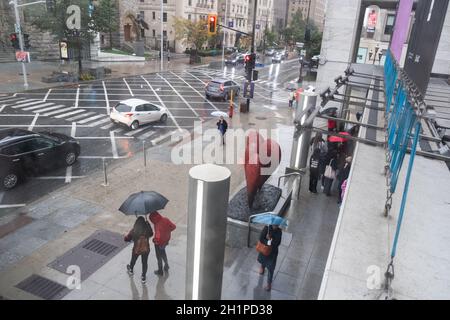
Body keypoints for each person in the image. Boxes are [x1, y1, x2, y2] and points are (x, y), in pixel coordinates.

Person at [124, 216, 154, 284]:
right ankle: (143, 277)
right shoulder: (147, 229)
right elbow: (151, 234)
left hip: (136, 249)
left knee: (133, 260)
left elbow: (127, 239)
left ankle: (131, 270)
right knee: (144, 263)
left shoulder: (134, 230)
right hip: (146, 249)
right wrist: (148, 224)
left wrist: (126, 237)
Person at [148, 211, 176, 276]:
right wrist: (168, 231)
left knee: (159, 257)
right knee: (163, 252)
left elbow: (157, 237)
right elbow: (174, 227)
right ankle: (166, 265)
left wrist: (154, 240)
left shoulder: (157, 225)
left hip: (159, 243)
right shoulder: (165, 219)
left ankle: (160, 271)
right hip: (166, 241)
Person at [257, 224, 282, 291]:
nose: (275, 227)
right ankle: (262, 267)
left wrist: (270, 240)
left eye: (277, 225)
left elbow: (278, 243)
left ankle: (269, 284)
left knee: (271, 268)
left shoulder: (279, 231)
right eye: (274, 225)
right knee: (263, 260)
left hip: (272, 253)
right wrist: (267, 241)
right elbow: (261, 238)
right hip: (264, 249)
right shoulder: (266, 228)